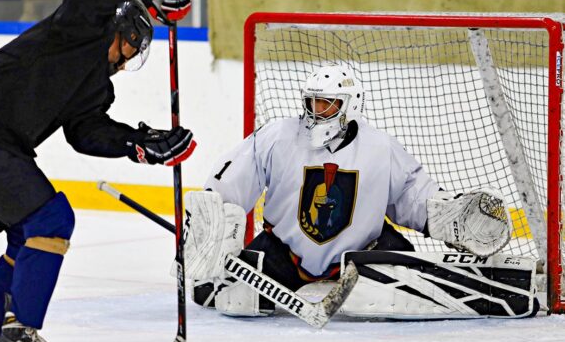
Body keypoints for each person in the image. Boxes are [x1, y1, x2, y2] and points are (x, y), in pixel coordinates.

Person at [0, 0, 195, 342]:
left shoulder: (97, 86)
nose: (129, 60)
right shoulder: (78, 30)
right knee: (51, 219)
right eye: (131, 48)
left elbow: (86, 132)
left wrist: (139, 144)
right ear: (123, 33)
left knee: (28, 231)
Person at [184, 63, 523, 320]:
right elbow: (231, 179)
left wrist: (449, 217)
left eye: (327, 104)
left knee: (414, 286)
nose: (317, 112)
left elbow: (411, 196)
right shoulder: (278, 136)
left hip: (363, 253)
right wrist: (210, 220)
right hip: (284, 251)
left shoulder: (379, 148)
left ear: (350, 106)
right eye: (313, 103)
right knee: (225, 297)